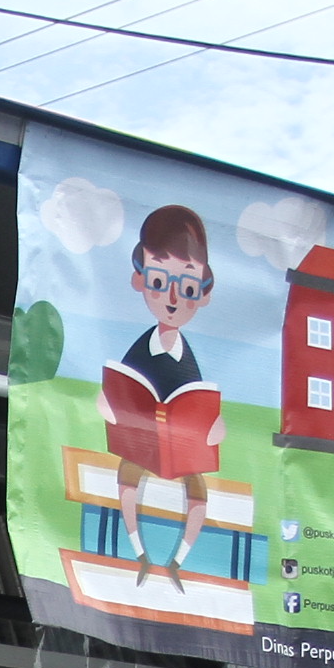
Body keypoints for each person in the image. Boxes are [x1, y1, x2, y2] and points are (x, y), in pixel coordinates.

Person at [101, 204, 223, 589]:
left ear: (203, 293)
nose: (172, 299)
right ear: (139, 280)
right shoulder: (143, 346)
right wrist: (110, 407)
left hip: (179, 449)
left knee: (197, 489)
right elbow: (119, 389)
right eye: (158, 281)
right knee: (127, 475)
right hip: (142, 444)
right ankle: (139, 553)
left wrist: (213, 427)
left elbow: (197, 401)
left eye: (186, 288)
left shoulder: (187, 357)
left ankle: (177, 561)